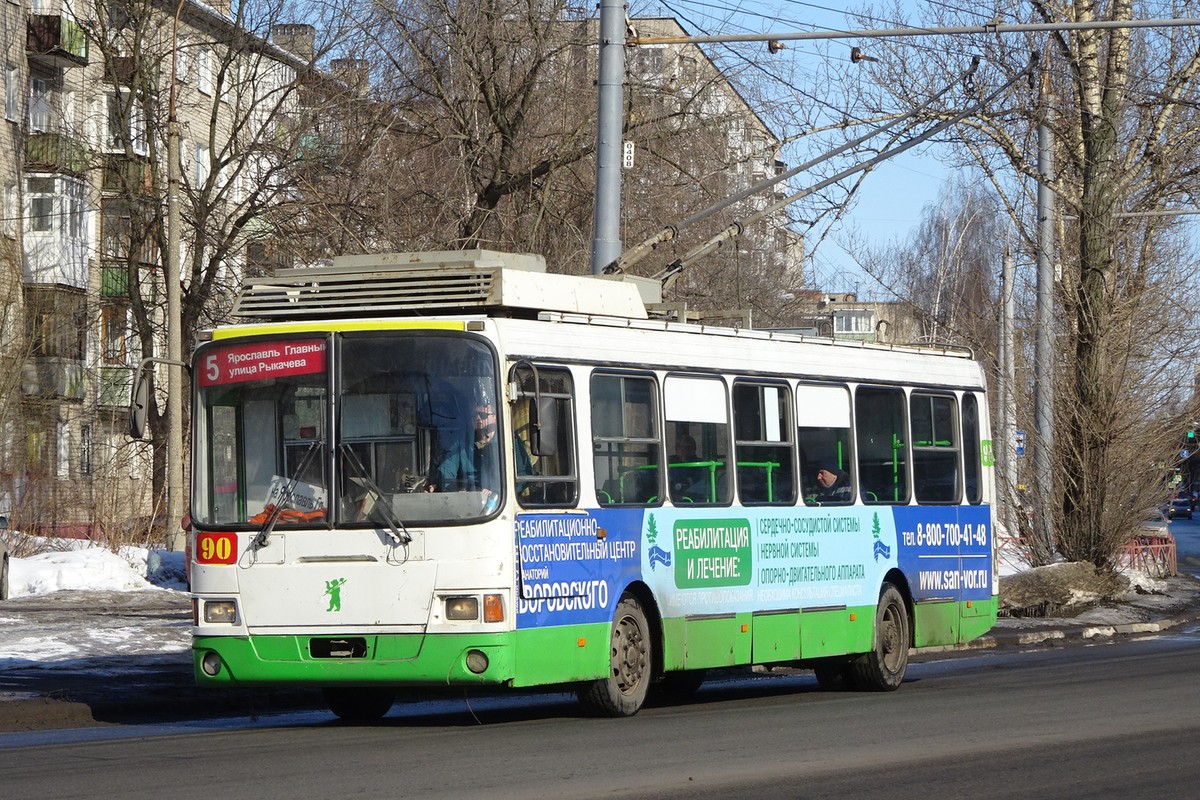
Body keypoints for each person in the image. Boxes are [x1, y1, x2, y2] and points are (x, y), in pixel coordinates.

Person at [427, 401, 532, 495]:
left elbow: (524, 476)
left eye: (483, 415)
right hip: (469, 499)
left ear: (495, 417)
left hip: (501, 503)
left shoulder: (509, 440)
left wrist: (498, 492)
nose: (478, 419)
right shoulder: (462, 439)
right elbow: (448, 468)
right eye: (474, 415)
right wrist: (441, 485)